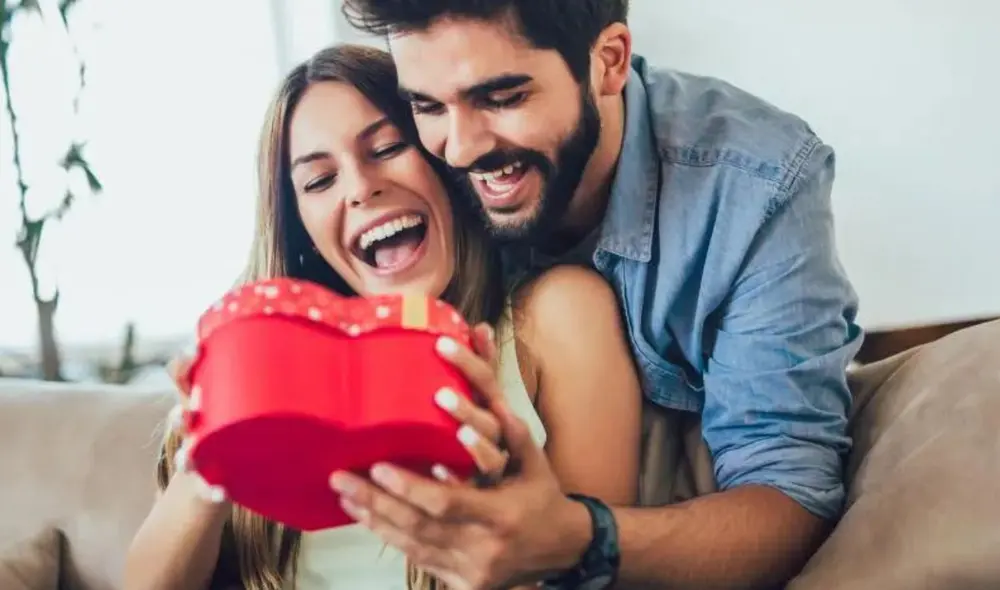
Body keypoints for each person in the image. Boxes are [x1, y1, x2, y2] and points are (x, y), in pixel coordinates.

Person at [331, 1, 866, 589]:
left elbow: (791, 498)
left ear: (608, 62)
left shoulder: (756, 181)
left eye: (502, 98)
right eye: (427, 104)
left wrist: (576, 537)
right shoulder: (417, 166)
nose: (459, 149)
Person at [122, 44, 642, 590]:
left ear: (444, 159)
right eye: (320, 181)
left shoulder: (557, 314)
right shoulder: (280, 371)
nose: (360, 187)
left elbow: (596, 575)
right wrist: (209, 461)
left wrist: (500, 527)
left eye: (388, 147)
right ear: (303, 232)